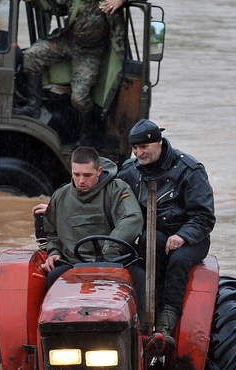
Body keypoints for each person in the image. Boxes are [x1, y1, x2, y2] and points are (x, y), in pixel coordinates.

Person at [117, 119, 216, 356]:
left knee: (179, 260)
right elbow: (108, 193)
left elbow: (204, 216)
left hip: (191, 236)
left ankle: (165, 327)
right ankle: (136, 320)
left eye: (144, 148)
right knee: (138, 254)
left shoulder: (189, 170)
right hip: (153, 233)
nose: (139, 153)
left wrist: (183, 235)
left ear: (159, 143)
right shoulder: (130, 171)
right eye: (135, 148)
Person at [33, 146, 144, 295]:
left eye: (87, 175)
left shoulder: (117, 189)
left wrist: (110, 251)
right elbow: (52, 233)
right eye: (76, 174)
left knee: (140, 277)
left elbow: (133, 218)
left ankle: (145, 319)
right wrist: (54, 252)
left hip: (115, 262)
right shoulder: (60, 196)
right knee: (53, 276)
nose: (81, 181)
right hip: (73, 264)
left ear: (99, 171)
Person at [16, 0, 126, 146]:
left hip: (90, 52)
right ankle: (33, 107)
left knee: (80, 98)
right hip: (67, 41)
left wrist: (121, 0)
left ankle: (88, 135)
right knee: (31, 56)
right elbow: (55, 7)